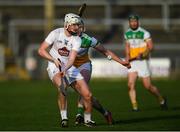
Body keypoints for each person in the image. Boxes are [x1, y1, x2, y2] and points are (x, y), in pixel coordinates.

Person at [38, 13, 95, 127]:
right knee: (62, 87)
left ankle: (87, 120)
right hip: (54, 65)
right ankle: (64, 118)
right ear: (67, 25)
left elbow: (72, 58)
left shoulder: (77, 39)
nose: (76, 27)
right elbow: (41, 50)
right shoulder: (56, 33)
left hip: (68, 66)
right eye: (74, 25)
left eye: (77, 25)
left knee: (87, 94)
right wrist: (53, 60)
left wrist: (66, 68)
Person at [70, 19, 131, 125]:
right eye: (75, 26)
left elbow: (105, 51)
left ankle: (80, 115)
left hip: (84, 66)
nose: (77, 28)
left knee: (83, 91)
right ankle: (105, 113)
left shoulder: (88, 40)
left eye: (80, 27)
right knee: (82, 93)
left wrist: (121, 62)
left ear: (83, 29)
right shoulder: (66, 38)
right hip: (70, 68)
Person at [124, 14, 168, 111]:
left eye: (135, 21)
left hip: (143, 62)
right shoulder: (127, 33)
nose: (133, 23)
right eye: (131, 21)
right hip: (133, 63)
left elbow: (151, 47)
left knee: (147, 86)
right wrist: (127, 58)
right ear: (129, 23)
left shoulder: (145, 33)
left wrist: (143, 54)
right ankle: (135, 106)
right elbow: (127, 47)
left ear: (138, 22)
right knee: (130, 84)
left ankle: (161, 99)